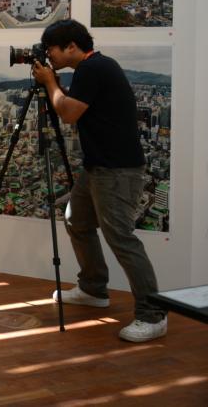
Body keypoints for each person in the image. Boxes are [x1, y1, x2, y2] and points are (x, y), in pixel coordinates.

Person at [32, 19, 166, 342]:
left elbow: (67, 113)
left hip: (117, 171)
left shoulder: (92, 69)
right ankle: (93, 288)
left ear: (71, 47)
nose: (48, 55)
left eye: (51, 49)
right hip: (98, 168)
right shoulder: (94, 68)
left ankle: (153, 314)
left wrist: (50, 82)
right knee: (75, 220)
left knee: (120, 237)